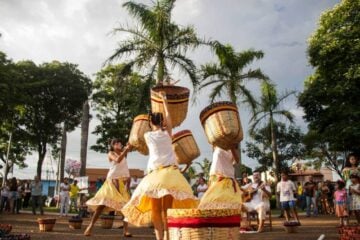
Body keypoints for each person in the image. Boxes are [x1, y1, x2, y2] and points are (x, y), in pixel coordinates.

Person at [122, 92, 198, 240]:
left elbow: (141, 132)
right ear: (163, 122)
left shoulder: (147, 136)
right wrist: (164, 100)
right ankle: (169, 236)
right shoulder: (167, 133)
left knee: (156, 210)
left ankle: (160, 238)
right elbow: (169, 116)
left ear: (151, 123)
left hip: (155, 176)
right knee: (167, 209)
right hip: (170, 175)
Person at [84, 139, 132, 237]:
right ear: (113, 146)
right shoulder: (111, 153)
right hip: (111, 183)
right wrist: (126, 150)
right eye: (117, 143)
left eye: (120, 143)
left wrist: (129, 146)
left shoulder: (124, 153)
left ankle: (125, 231)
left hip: (121, 184)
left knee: (124, 208)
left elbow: (123, 166)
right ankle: (90, 226)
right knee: (101, 205)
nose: (120, 144)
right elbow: (118, 160)